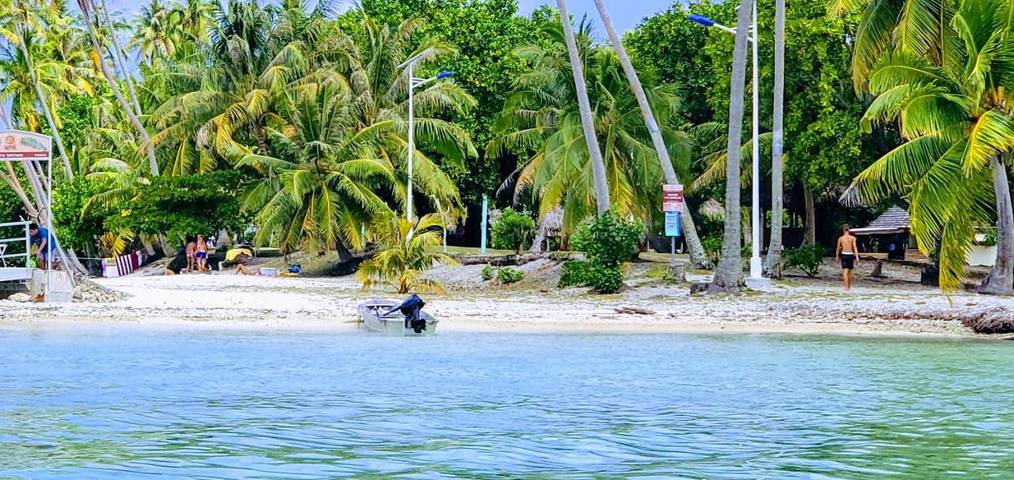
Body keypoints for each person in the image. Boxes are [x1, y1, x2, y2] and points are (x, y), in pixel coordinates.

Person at [835, 224, 860, 290]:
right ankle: (849, 287)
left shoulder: (841, 238)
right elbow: (855, 247)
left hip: (844, 255)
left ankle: (846, 287)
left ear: (843, 230)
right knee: (849, 272)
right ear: (849, 230)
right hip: (850, 255)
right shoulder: (853, 238)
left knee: (845, 271)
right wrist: (857, 257)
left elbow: (837, 248)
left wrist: (837, 256)